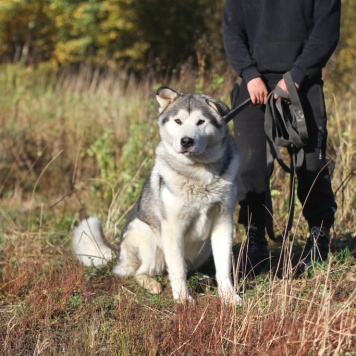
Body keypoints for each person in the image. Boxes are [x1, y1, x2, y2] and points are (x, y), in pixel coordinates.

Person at [223, 0, 341, 275]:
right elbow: (232, 30)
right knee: (249, 168)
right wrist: (249, 74)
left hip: (304, 82)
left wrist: (297, 76)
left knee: (312, 165)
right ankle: (256, 241)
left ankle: (318, 238)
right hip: (254, 86)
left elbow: (326, 30)